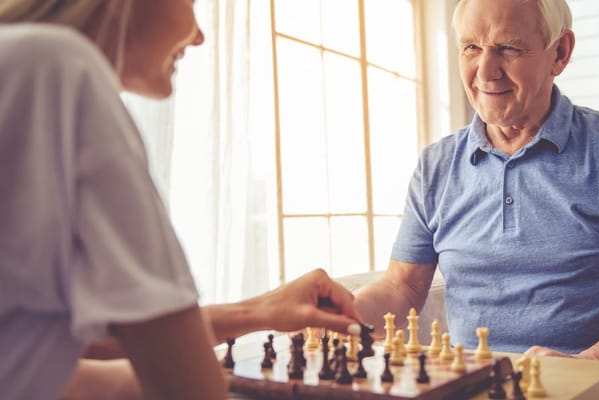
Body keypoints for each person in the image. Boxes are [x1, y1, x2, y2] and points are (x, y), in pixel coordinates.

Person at [0, 1, 361, 399]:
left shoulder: (23, 61)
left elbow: (52, 360)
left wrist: (259, 312)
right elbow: (187, 387)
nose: (200, 36)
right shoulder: (58, 68)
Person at [353, 0, 599, 399]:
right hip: (478, 382)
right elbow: (402, 287)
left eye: (509, 48)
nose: (485, 72)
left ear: (560, 53)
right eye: (471, 47)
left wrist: (588, 367)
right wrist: (342, 313)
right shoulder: (436, 165)